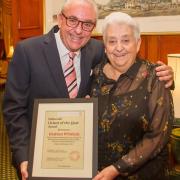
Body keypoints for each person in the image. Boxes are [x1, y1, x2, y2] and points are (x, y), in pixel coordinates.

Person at [3, 0, 173, 180]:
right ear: (60, 19)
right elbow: (14, 109)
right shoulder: (27, 51)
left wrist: (166, 75)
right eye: (72, 20)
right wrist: (23, 156)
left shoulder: (97, 50)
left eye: (87, 24)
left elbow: (129, 63)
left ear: (93, 27)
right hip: (40, 160)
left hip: (84, 163)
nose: (78, 30)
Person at [91, 12, 174, 180]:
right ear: (105, 47)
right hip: (98, 174)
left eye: (126, 40)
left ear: (138, 44)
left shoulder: (155, 78)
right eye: (112, 41)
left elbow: (158, 136)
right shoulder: (95, 75)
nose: (119, 47)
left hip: (144, 174)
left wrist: (117, 168)